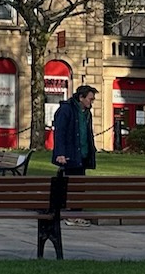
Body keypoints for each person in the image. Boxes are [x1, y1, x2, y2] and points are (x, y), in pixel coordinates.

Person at [52, 85, 98, 226]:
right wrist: (60, 153)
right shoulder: (67, 110)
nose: (92, 101)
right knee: (71, 184)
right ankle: (71, 214)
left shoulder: (86, 113)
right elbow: (60, 132)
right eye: (90, 99)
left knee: (79, 185)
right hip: (70, 154)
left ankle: (75, 213)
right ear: (81, 98)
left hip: (82, 154)